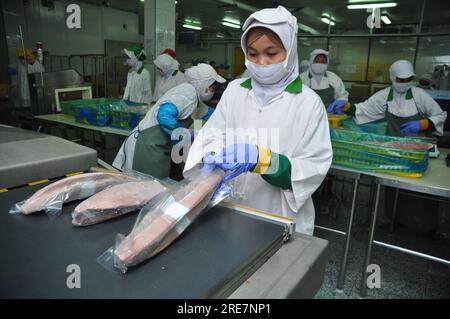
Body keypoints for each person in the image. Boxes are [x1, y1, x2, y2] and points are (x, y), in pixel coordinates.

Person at [183, 6, 332, 235]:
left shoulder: (308, 103)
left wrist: (263, 161)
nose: (261, 62)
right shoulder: (234, 91)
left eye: (271, 53)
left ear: (290, 51)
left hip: (278, 216)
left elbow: (313, 167)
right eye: (253, 54)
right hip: (228, 208)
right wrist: (209, 154)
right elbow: (213, 134)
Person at [113, 63, 225, 179]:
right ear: (203, 84)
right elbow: (164, 115)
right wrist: (182, 136)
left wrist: (231, 123)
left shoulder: (194, 98)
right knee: (149, 189)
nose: (213, 91)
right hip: (148, 145)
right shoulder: (189, 93)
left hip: (157, 146)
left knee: (157, 188)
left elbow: (211, 114)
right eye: (213, 87)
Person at [328, 60, 447, 137]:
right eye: (401, 79)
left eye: (409, 79)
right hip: (392, 145)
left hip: (416, 147)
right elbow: (363, 109)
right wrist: (347, 106)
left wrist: (424, 124)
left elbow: (440, 115)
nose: (405, 83)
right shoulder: (383, 96)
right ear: (393, 78)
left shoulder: (420, 95)